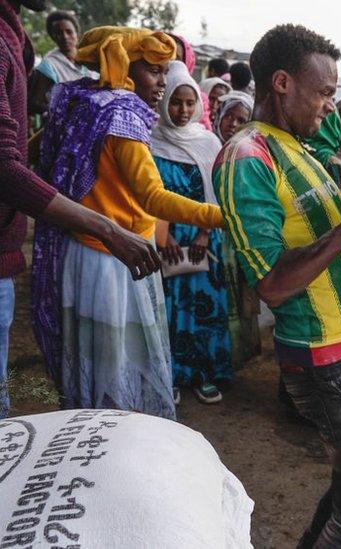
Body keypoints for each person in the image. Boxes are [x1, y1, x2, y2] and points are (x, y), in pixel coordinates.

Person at [213, 24, 341, 547]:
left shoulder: (295, 147)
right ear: (281, 83)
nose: (329, 105)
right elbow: (273, 284)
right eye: (323, 92)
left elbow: (332, 228)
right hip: (324, 353)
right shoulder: (246, 158)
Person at [32, 27, 224, 420]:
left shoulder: (78, 100)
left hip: (78, 254)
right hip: (117, 262)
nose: (162, 82)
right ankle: (117, 442)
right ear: (123, 65)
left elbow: (35, 153)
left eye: (164, 71)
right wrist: (226, 217)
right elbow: (153, 198)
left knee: (92, 359)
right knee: (119, 363)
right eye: (153, 71)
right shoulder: (123, 117)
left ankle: (86, 433)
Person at [1, 1, 162, 419]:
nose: (161, 82)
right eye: (154, 69)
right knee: (111, 363)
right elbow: (6, 165)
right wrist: (217, 218)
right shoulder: (112, 111)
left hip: (92, 250)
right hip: (104, 254)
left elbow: (26, 150)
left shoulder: (66, 89)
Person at [150, 60, 232, 405]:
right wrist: (162, 236)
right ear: (164, 100)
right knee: (166, 309)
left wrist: (202, 234)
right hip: (163, 237)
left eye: (188, 102)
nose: (182, 110)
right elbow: (148, 194)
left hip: (202, 239)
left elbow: (217, 192)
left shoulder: (208, 142)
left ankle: (202, 374)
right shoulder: (150, 139)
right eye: (175, 102)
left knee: (202, 308)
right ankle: (170, 376)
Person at [209, 89, 261, 368]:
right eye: (229, 116)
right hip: (212, 232)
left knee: (243, 298)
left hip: (240, 235)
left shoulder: (249, 154)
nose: (232, 124)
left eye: (241, 119)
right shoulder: (208, 145)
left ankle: (242, 354)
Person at [27, 10, 95, 115]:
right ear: (53, 37)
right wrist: (62, 108)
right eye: (58, 33)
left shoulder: (92, 60)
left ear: (77, 34)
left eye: (69, 32)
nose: (65, 36)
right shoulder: (49, 65)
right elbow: (34, 103)